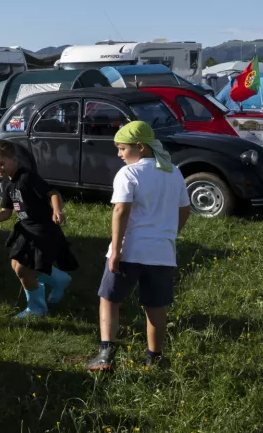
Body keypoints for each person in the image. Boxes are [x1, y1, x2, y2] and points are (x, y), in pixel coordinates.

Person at [86, 121, 190, 372]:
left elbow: (121, 210)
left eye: (122, 148)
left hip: (130, 249)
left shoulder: (129, 174)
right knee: (155, 306)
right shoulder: (173, 171)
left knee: (109, 299)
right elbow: (185, 210)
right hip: (162, 252)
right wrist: (168, 235)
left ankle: (105, 354)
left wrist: (117, 250)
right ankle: (154, 359)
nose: (119, 154)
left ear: (141, 147)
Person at [0, 140, 78, 318]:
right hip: (26, 230)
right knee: (15, 264)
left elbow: (53, 193)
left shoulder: (27, 177)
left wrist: (57, 210)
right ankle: (59, 280)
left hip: (43, 231)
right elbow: (6, 213)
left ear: (14, 159)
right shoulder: (7, 184)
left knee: (23, 270)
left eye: (1, 163)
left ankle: (37, 308)